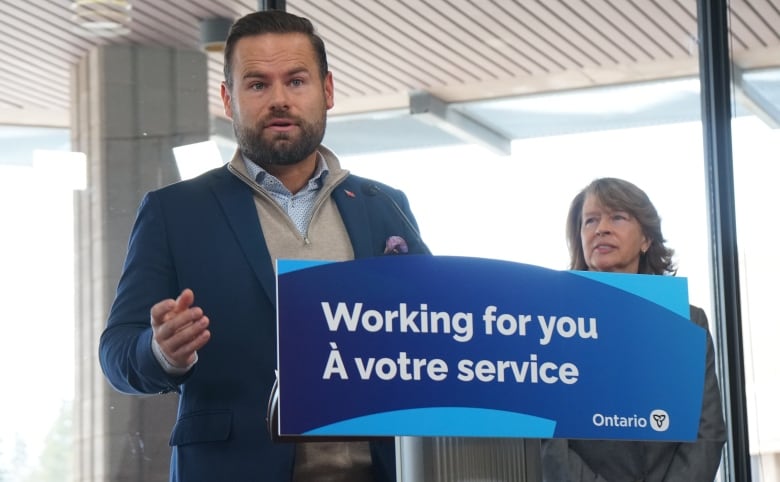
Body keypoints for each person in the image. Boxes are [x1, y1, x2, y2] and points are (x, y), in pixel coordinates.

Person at [98, 10, 428, 482]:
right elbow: (116, 354)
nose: (279, 99)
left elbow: (433, 333)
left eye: (296, 81)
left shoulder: (384, 208)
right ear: (228, 99)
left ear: (327, 91)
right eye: (257, 85)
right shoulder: (175, 212)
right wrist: (162, 353)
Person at [541, 177, 727, 482]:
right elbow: (548, 438)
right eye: (590, 221)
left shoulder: (687, 321)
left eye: (617, 217)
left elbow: (707, 431)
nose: (601, 228)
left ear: (645, 239)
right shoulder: (553, 323)